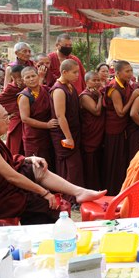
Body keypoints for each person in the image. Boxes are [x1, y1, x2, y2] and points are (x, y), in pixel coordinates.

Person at [0, 102, 106, 224]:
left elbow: (7, 161)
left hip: (4, 186)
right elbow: (11, 176)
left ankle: (79, 192)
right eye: (4, 117)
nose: (8, 121)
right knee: (46, 206)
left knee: (35, 166)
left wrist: (28, 158)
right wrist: (44, 193)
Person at [103, 60, 139, 195]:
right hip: (113, 129)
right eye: (127, 71)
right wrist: (132, 98)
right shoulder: (114, 88)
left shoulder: (126, 85)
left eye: (131, 71)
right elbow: (120, 112)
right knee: (114, 161)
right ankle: (112, 191)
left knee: (122, 160)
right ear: (117, 73)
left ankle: (123, 188)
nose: (130, 74)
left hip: (123, 128)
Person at [49, 59, 85, 188]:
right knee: (69, 166)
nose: (77, 76)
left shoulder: (69, 85)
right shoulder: (59, 90)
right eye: (74, 72)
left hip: (73, 131)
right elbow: (60, 116)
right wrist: (68, 137)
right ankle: (69, 197)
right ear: (64, 72)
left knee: (76, 166)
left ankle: (76, 195)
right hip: (63, 134)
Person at [17, 66, 57, 166]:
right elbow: (25, 119)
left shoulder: (46, 90)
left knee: (50, 162)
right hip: (33, 137)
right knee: (37, 166)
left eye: (33, 76)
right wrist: (46, 125)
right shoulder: (24, 96)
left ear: (38, 76)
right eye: (28, 77)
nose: (31, 79)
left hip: (48, 134)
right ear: (23, 80)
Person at [79, 71, 105, 190]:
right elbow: (96, 111)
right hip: (90, 133)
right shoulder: (85, 96)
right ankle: (90, 187)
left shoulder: (98, 93)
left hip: (99, 131)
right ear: (86, 82)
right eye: (94, 80)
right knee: (90, 161)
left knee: (98, 160)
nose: (97, 82)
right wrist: (100, 97)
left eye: (98, 80)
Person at [0, 64, 25, 156]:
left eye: (20, 77)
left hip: (29, 120)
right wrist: (8, 114)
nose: (18, 80)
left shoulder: (29, 85)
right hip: (17, 120)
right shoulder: (11, 88)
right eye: (15, 78)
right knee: (15, 146)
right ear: (12, 78)